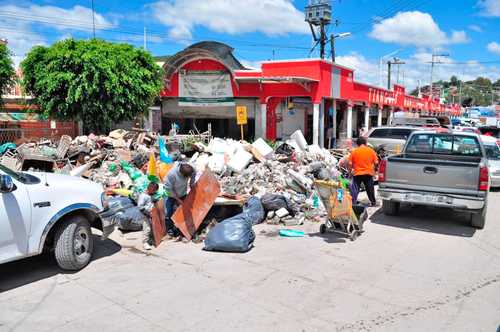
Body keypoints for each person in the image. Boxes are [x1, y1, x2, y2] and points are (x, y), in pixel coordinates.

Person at [163, 162, 197, 238]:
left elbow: (193, 176)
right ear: (182, 174)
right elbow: (168, 189)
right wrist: (177, 199)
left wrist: (192, 185)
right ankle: (170, 231)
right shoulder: (171, 175)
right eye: (187, 177)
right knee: (169, 213)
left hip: (182, 192)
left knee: (183, 211)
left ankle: (180, 230)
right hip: (170, 195)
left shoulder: (192, 168)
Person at [348, 137, 379, 207]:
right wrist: (375, 170)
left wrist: (350, 173)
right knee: (370, 188)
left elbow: (350, 164)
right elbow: (376, 162)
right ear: (365, 143)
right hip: (368, 173)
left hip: (357, 173)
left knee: (355, 189)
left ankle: (353, 203)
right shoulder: (371, 151)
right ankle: (373, 202)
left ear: (357, 144)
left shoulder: (354, 152)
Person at [137, 182, 159, 250]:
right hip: (145, 214)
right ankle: (145, 243)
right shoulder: (143, 196)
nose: (155, 192)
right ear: (150, 189)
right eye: (154, 190)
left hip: (151, 214)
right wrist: (148, 214)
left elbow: (151, 201)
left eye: (156, 191)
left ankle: (151, 239)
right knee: (147, 228)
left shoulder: (151, 194)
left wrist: (155, 201)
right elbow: (140, 207)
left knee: (152, 228)